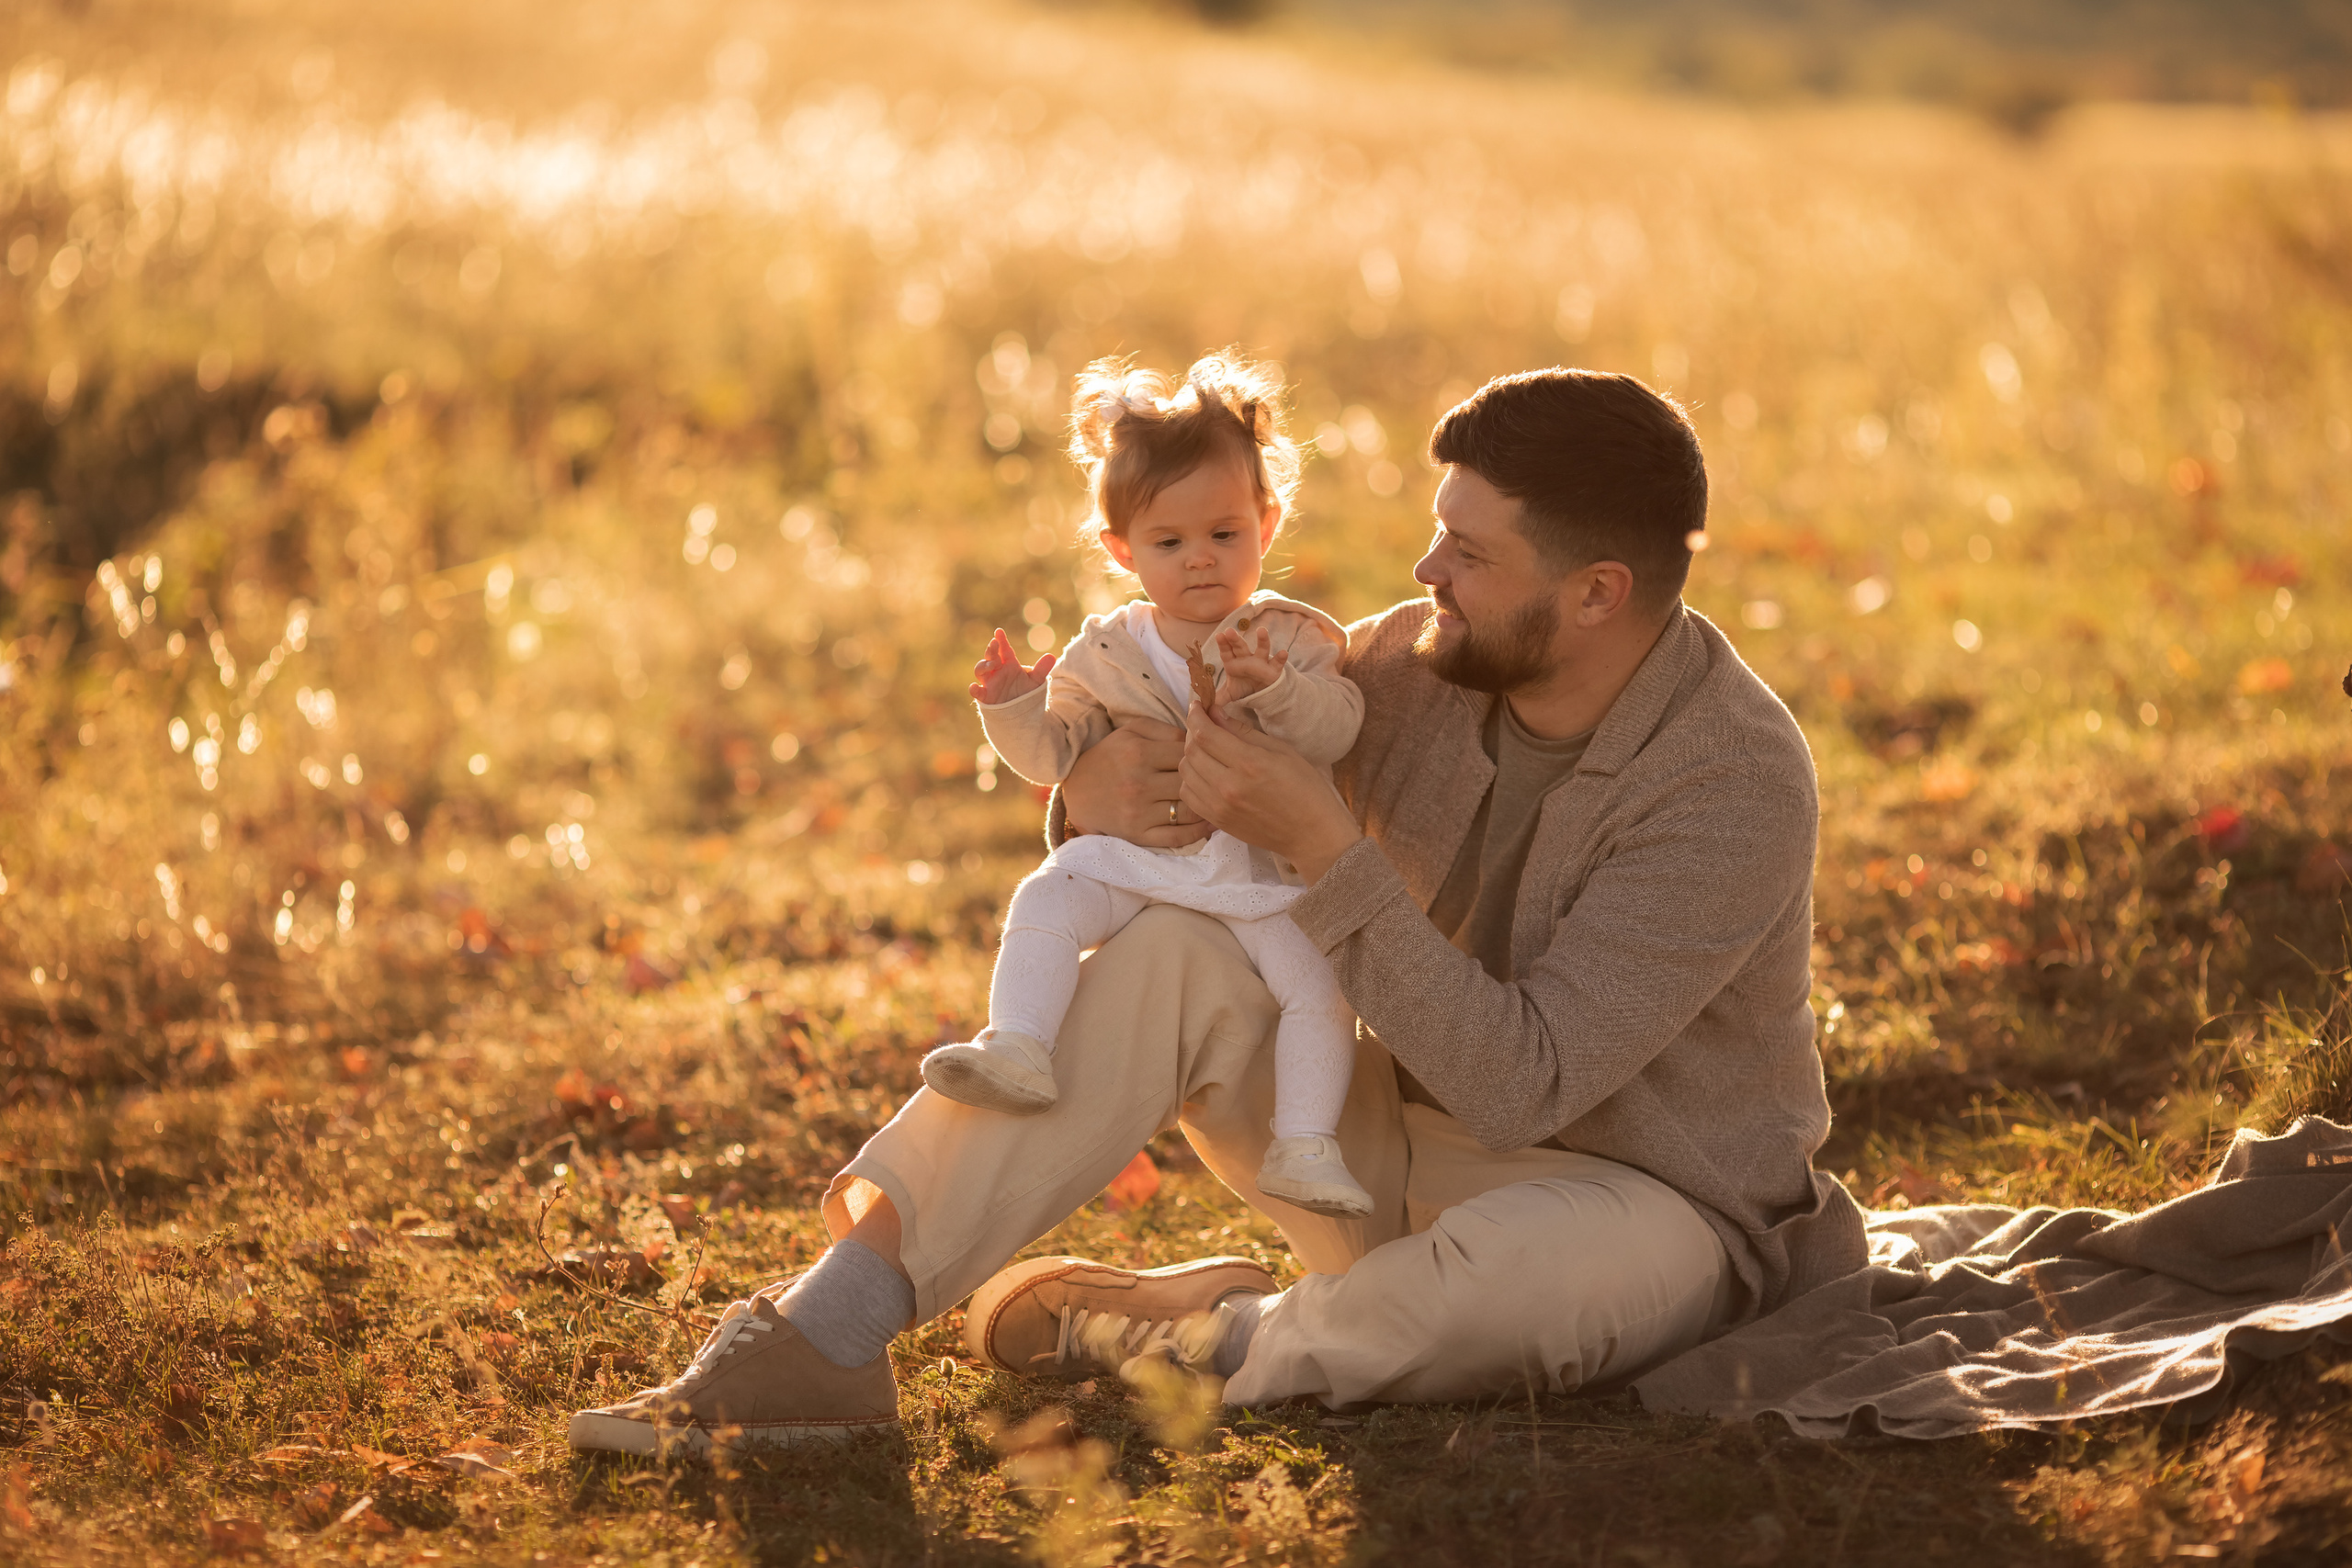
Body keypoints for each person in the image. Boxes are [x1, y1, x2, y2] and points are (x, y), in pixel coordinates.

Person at [568, 367, 1869, 1457]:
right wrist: (1091, 794)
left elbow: (1527, 1084)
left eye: (1470, 554)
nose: (1426, 571)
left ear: (1596, 592)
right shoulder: (1420, 662)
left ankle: (1185, 1336)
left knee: (1481, 1305)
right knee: (1177, 942)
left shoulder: (1732, 779)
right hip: (1379, 1150)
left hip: (1637, 1208)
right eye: (1438, 531)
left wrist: (1323, 837)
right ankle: (826, 1334)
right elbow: (1184, 780)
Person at [922, 352, 1374, 1222]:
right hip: (1143, 868)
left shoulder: (1291, 636)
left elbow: (1341, 723)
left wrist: (1278, 691)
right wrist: (1014, 708)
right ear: (1121, 548)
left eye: (1225, 534)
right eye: (1170, 543)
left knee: (1320, 989)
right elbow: (1056, 755)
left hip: (1261, 880)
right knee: (1049, 893)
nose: (1201, 561)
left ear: (1267, 522)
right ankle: (1020, 1040)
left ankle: (1307, 1140)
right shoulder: (1105, 653)